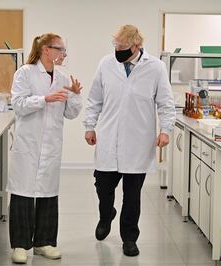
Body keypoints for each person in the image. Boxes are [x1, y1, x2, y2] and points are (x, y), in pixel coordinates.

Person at [83, 24, 175, 256]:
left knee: (132, 195)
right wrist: (89, 126)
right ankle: (106, 215)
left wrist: (165, 130)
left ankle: (129, 238)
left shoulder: (155, 68)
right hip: (109, 137)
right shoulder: (106, 64)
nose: (118, 50)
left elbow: (165, 102)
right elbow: (95, 98)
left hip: (138, 141)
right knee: (103, 186)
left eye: (122, 47)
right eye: (115, 45)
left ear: (137, 46)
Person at [6, 33, 82, 264]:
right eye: (60, 49)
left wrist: (76, 95)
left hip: (51, 146)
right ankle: (20, 245)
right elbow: (17, 104)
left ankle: (44, 243)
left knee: (48, 194)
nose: (64, 54)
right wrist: (44, 99)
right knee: (23, 193)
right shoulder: (25, 73)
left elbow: (71, 113)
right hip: (28, 145)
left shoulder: (61, 78)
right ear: (46, 50)